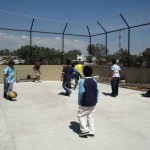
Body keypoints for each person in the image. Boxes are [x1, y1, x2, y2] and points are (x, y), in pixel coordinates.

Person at [77, 65, 99, 137]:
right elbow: (97, 90)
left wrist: (79, 101)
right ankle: (91, 131)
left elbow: (81, 92)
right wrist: (96, 100)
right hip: (93, 102)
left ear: (83, 72)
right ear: (91, 72)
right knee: (90, 115)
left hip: (85, 101)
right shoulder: (94, 80)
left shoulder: (82, 81)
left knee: (81, 115)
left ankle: (84, 130)